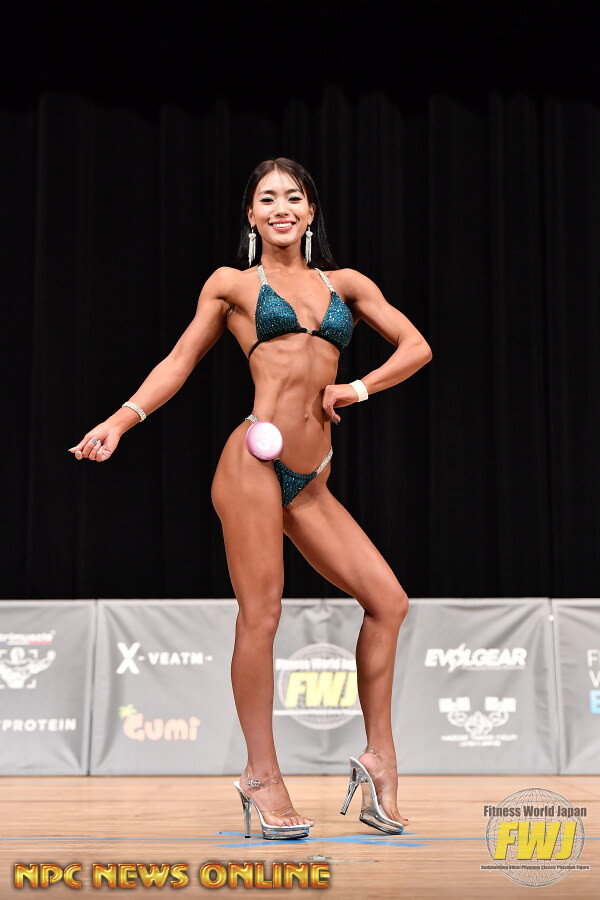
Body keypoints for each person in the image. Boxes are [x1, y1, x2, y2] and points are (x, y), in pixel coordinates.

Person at [69, 157, 432, 840]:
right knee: (262, 615)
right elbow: (179, 360)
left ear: (311, 211)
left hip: (312, 479)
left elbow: (417, 347)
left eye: (293, 197)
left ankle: (379, 759)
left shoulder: (347, 284)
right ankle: (261, 775)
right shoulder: (233, 284)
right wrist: (120, 421)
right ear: (251, 216)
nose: (280, 208)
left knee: (389, 602)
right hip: (253, 462)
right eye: (267, 199)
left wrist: (357, 389)